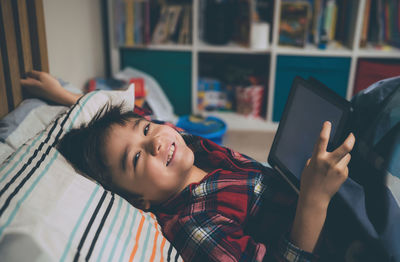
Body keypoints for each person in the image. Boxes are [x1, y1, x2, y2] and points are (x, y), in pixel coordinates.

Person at [21, 71, 355, 261]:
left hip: (313, 190)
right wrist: (314, 200)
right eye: (136, 159)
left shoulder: (183, 148)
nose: (154, 141)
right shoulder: (193, 225)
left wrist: (67, 98)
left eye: (147, 131)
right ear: (140, 201)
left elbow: (138, 115)